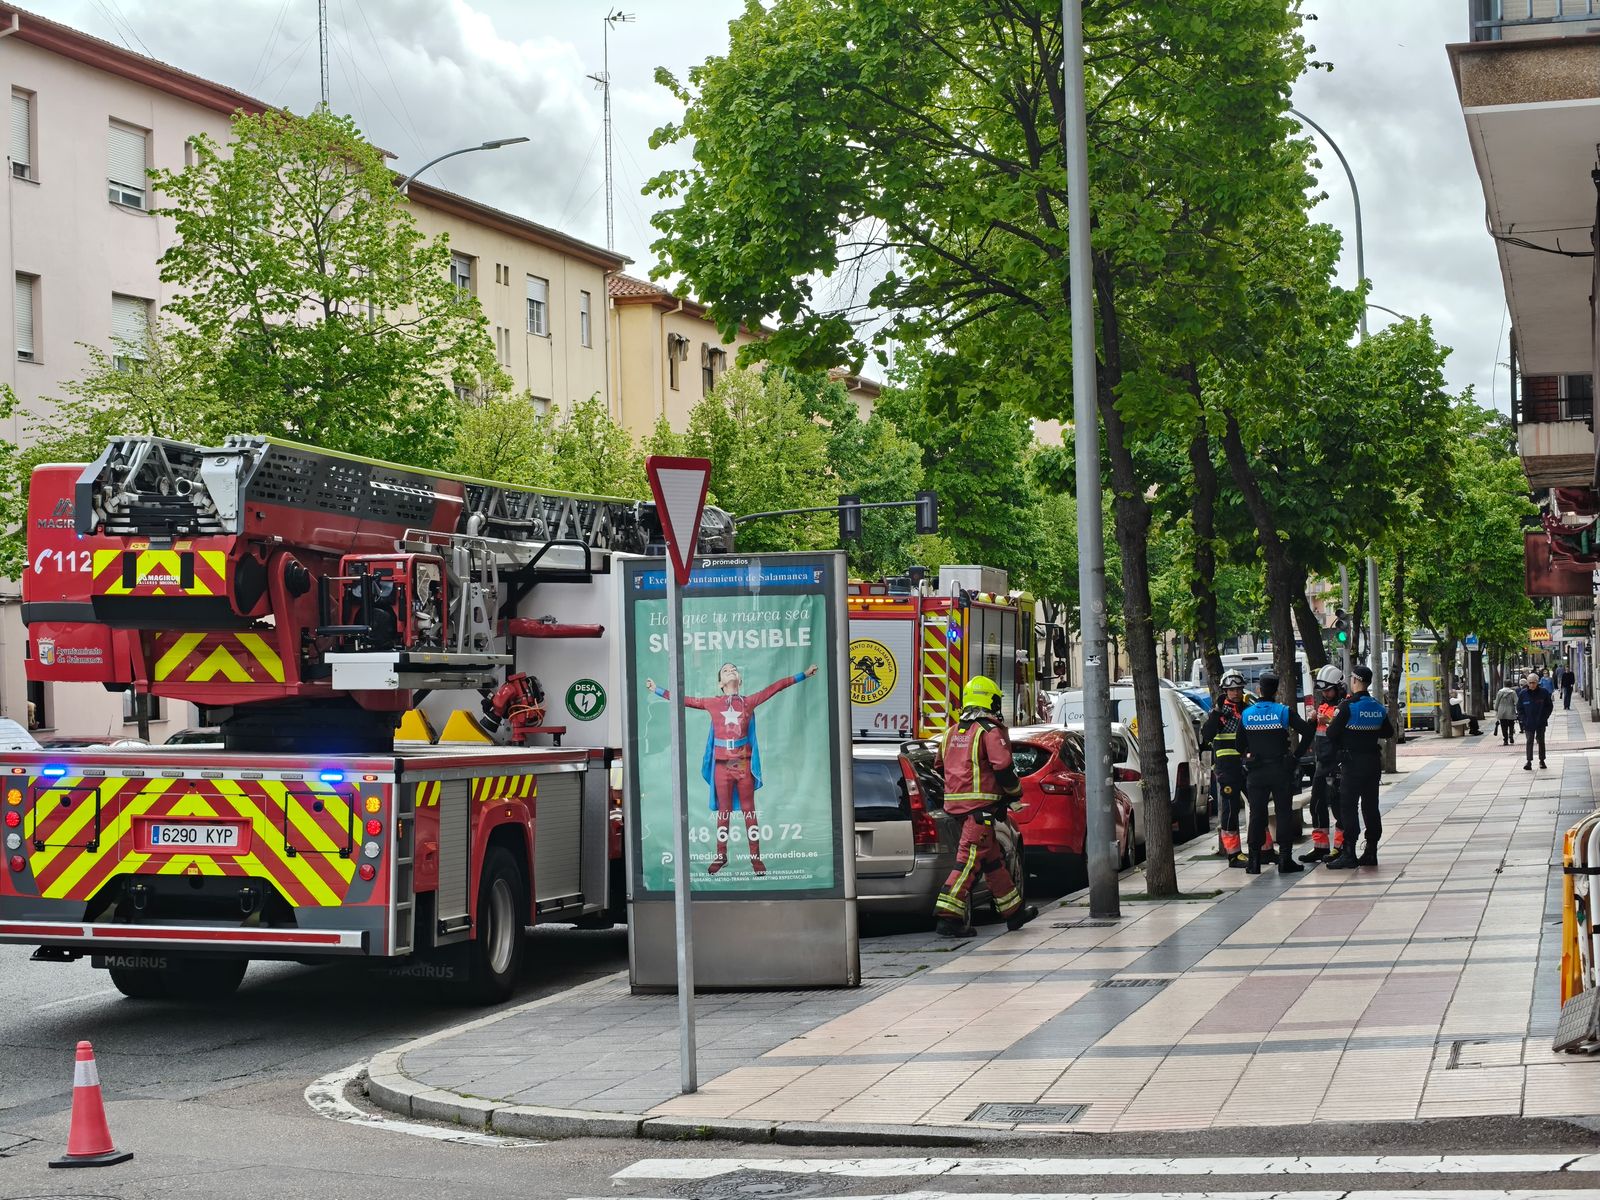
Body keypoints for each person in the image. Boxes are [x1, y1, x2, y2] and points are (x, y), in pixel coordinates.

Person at [645, 661, 817, 875]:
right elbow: (683, 700)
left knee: (749, 812)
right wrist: (657, 689)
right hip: (721, 763)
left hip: (741, 762)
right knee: (723, 813)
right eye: (725, 670)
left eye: (733, 669)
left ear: (740, 680)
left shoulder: (749, 701)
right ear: (720, 683)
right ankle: (721, 856)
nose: (730, 671)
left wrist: (804, 675)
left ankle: (756, 858)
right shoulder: (712, 703)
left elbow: (776, 687)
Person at [930, 675, 1038, 938]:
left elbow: (939, 766)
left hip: (959, 809)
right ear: (989, 700)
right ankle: (948, 917)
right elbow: (1002, 766)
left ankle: (1013, 912)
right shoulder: (989, 731)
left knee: (992, 862)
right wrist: (1013, 793)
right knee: (968, 862)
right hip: (980, 811)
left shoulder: (952, 732)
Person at [1237, 670, 1312, 875]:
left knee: (1257, 815)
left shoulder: (1247, 714)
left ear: (1259, 690)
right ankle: (1285, 860)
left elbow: (1239, 744)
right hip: (1280, 770)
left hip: (1256, 773)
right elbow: (1307, 732)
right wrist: (1295, 756)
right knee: (1284, 814)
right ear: (1276, 690)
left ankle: (1253, 861)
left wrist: (1249, 755)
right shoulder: (1283, 711)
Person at [1324, 663, 1395, 869]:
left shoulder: (1347, 707)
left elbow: (1331, 734)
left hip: (1352, 764)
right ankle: (1371, 851)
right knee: (1370, 807)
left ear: (1355, 681)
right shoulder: (1377, 706)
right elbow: (1388, 732)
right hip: (1372, 764)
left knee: (1348, 807)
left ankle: (1349, 853)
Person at [1200, 669, 1254, 868]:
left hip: (1248, 765)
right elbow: (1207, 734)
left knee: (1258, 806)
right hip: (1227, 768)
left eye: (1238, 688)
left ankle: (1263, 848)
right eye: (1231, 690)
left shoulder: (1248, 709)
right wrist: (1216, 712)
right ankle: (1234, 854)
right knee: (1230, 810)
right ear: (1224, 690)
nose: (1235, 693)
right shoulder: (1218, 712)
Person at [1300, 664, 1346, 864]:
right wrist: (1312, 720)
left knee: (1339, 807)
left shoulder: (1344, 707)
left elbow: (1344, 732)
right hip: (1322, 763)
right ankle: (1320, 847)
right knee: (1316, 805)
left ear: (1338, 687)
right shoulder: (1322, 706)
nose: (1326, 694)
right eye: (1323, 691)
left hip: (1337, 763)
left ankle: (1341, 847)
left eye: (1329, 690)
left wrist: (1329, 721)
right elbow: (1314, 732)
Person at [1518, 670, 1553, 771]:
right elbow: (1520, 708)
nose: (1531, 685)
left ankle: (1542, 760)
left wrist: (1544, 717)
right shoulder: (1523, 694)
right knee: (1529, 741)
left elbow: (1549, 706)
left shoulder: (1544, 692)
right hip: (1528, 722)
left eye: (1533, 682)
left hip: (1540, 722)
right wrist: (1523, 719)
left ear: (1537, 682)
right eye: (1529, 683)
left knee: (1541, 741)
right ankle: (1529, 761)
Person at [1493, 677, 1519, 746]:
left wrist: (1496, 709)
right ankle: (1511, 735)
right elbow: (1517, 702)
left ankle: (1505, 739)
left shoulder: (1500, 692)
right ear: (1511, 685)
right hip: (1510, 710)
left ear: (1504, 684)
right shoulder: (1513, 692)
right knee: (1511, 724)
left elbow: (1497, 702)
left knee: (1503, 726)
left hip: (1501, 711)